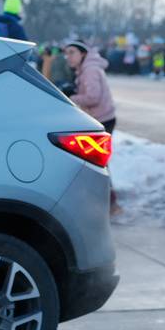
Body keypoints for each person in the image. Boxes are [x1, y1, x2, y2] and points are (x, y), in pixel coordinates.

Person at [63, 39, 119, 214]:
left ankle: (111, 204)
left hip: (102, 120)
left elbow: (93, 97)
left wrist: (73, 96)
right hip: (100, 118)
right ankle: (105, 202)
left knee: (97, 162)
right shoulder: (85, 68)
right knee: (94, 161)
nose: (68, 57)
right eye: (67, 53)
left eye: (72, 52)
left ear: (83, 53)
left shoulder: (90, 70)